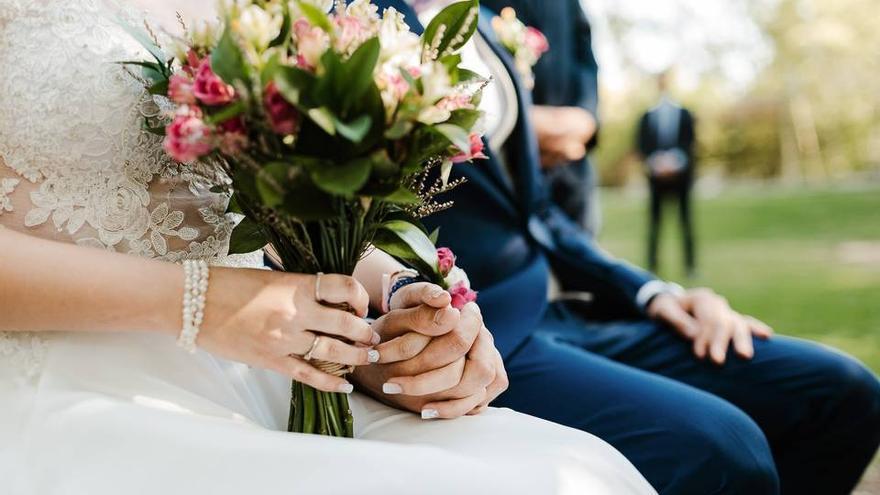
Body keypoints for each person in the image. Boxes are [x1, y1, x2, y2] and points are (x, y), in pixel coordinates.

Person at [0, 1, 658, 493]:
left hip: (264, 379)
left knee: (578, 476)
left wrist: (398, 304)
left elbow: (239, 208)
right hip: (67, 382)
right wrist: (203, 304)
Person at [379, 0, 880, 493]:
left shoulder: (486, 22)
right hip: (486, 336)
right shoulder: (355, 23)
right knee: (727, 452)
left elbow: (538, 215)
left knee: (841, 393)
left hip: (573, 312)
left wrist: (653, 293)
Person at [482, 0, 602, 234]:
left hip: (572, 168)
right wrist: (521, 123)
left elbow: (584, 52)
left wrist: (586, 119)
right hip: (504, 173)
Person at [637, 71, 697, 276]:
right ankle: (652, 266)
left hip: (681, 178)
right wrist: (657, 163)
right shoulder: (647, 116)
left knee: (686, 222)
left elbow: (690, 143)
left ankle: (690, 266)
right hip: (656, 179)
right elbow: (641, 145)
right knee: (655, 224)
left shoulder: (684, 113)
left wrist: (675, 162)